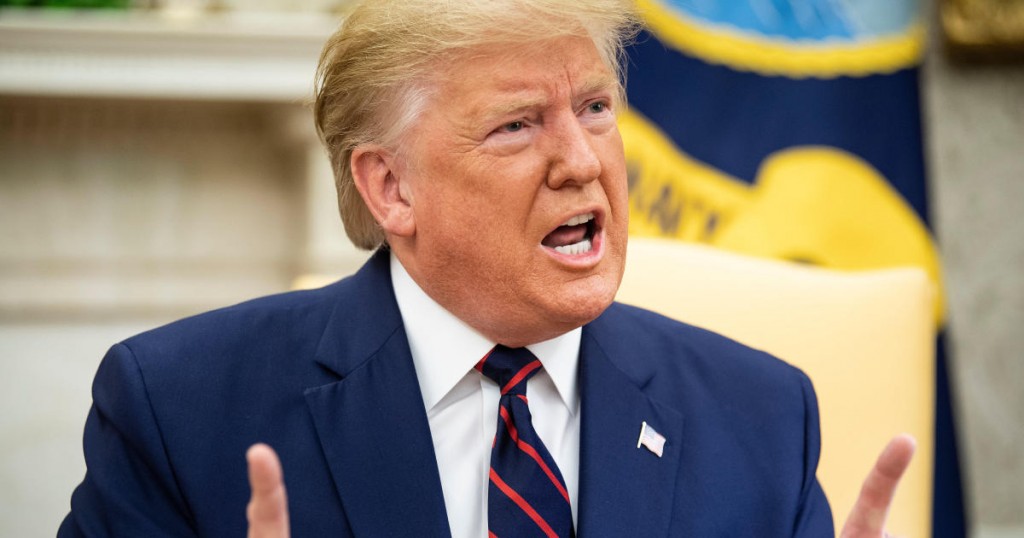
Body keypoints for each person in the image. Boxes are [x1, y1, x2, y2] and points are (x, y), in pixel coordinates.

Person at [60, 1, 915, 537]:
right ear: (390, 186)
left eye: (595, 109)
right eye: (518, 126)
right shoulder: (178, 412)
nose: (582, 162)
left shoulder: (761, 420)